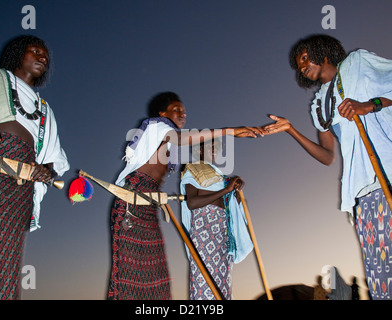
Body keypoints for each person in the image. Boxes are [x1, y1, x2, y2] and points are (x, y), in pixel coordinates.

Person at [264, 34, 392, 300]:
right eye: (298, 65)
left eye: (304, 58)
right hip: (361, 192)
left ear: (322, 54)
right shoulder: (320, 105)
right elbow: (327, 156)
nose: (301, 66)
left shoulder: (357, 63)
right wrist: (291, 130)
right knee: (380, 273)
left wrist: (370, 105)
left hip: (387, 173)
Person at [107, 91, 264, 300]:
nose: (183, 114)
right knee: (131, 280)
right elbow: (180, 139)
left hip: (147, 204)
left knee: (156, 282)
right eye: (177, 109)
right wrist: (230, 131)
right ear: (163, 113)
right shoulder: (156, 126)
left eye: (184, 111)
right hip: (131, 200)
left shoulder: (169, 147)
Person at [0, 35, 69, 299]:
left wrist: (46, 171)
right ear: (17, 55)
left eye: (45, 54)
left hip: (20, 188)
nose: (42, 57)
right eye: (35, 51)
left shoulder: (45, 109)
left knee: (5, 263)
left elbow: (53, 159)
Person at [180, 138, 253, 300]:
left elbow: (229, 202)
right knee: (204, 279)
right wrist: (226, 189)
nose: (214, 151)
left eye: (216, 148)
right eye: (209, 147)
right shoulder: (193, 169)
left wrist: (235, 193)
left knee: (223, 285)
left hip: (222, 231)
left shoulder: (220, 176)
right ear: (199, 150)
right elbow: (192, 203)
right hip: (204, 230)